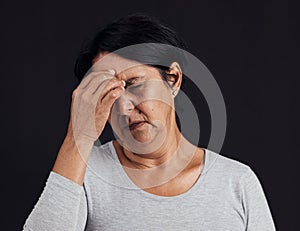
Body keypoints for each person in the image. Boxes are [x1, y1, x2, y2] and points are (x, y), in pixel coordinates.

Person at [23, 14, 276, 231]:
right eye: (107, 93)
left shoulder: (237, 182)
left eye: (135, 84)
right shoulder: (82, 174)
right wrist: (77, 136)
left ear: (173, 79)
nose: (124, 107)